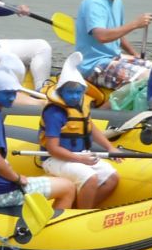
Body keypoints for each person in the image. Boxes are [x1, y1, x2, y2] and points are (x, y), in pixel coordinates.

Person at [0, 55, 74, 211]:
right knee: (67, 187)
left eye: (14, 93)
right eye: (7, 93)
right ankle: (56, 225)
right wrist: (17, 178)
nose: (12, 98)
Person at [38, 52, 122, 209]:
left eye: (78, 92)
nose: (75, 96)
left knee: (112, 178)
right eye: (70, 92)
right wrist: (80, 159)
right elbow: (53, 148)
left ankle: (80, 209)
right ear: (61, 91)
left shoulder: (80, 106)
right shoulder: (54, 113)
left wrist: (110, 147)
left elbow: (91, 128)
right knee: (90, 177)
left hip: (79, 154)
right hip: (55, 159)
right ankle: (83, 214)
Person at [76, 0, 152, 93]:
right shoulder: (95, 2)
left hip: (114, 57)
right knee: (146, 77)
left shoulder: (117, 1)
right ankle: (112, 105)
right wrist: (135, 24)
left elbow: (118, 34)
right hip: (93, 65)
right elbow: (101, 36)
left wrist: (135, 54)